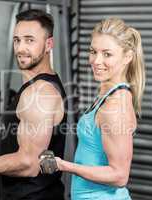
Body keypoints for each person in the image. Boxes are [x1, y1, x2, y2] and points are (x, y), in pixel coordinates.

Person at [0, 9, 67, 200]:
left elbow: (29, 164)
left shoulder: (39, 93)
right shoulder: (35, 87)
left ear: (49, 44)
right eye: (17, 40)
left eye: (29, 40)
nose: (20, 48)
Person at [50, 18, 145, 200]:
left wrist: (64, 166)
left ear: (127, 57)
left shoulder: (115, 106)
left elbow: (119, 176)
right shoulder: (107, 94)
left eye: (107, 54)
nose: (96, 61)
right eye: (93, 52)